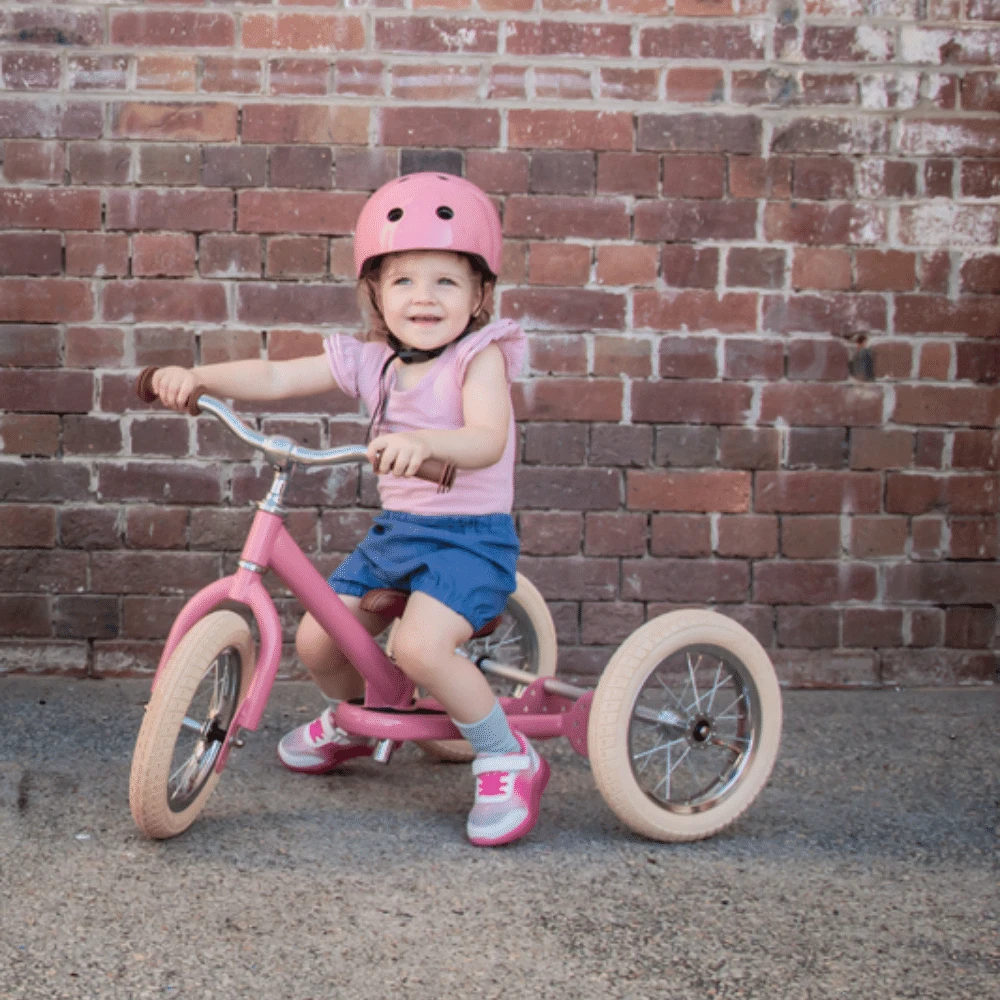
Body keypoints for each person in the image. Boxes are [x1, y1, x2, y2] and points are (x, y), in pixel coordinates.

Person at [149, 172, 548, 847]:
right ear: (375, 293)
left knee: (422, 647)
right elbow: (278, 375)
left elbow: (486, 439)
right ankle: (361, 716)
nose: (424, 297)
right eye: (403, 281)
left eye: (446, 281)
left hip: (469, 540)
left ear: (480, 295)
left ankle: (506, 752)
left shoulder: (479, 359)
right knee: (317, 640)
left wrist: (422, 442)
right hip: (400, 534)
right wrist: (202, 379)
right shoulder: (373, 361)